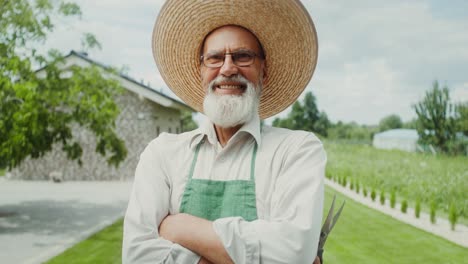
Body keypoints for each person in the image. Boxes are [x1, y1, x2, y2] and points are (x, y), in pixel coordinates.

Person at [122, 0, 324, 263]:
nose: (228, 68)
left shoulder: (297, 150)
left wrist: (182, 227)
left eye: (243, 56)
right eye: (215, 58)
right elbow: (136, 255)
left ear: (264, 71)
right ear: (201, 71)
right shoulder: (163, 152)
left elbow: (294, 252)